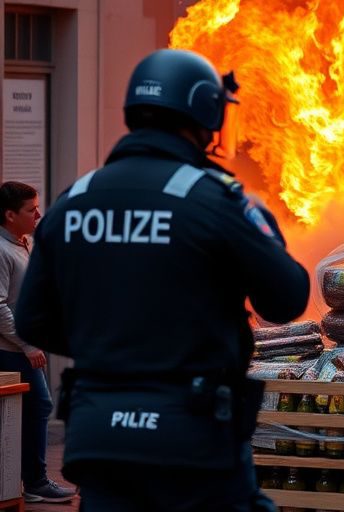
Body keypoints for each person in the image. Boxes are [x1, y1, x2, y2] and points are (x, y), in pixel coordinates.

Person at [14, 49, 310, 511]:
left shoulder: (74, 200)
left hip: (98, 437)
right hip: (190, 438)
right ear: (203, 111)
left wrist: (110, 343)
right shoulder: (218, 200)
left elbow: (33, 320)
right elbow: (288, 299)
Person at [0, 182, 77, 504]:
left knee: (36, 408)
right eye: (31, 210)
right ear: (9, 214)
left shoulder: (23, 243)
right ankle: (34, 481)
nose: (38, 215)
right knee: (38, 407)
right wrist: (27, 344)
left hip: (23, 348)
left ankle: (27, 480)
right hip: (12, 351)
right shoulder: (2, 251)